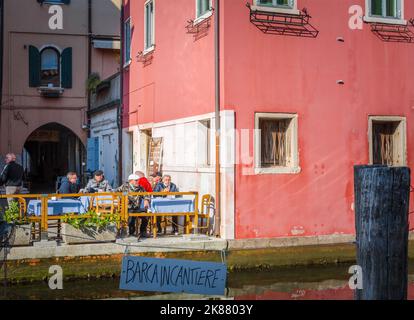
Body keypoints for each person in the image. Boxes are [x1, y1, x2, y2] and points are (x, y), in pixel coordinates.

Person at [116, 174, 150, 238]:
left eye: (138, 180)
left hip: (137, 207)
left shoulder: (140, 187)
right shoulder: (125, 186)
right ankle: (131, 232)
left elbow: (146, 195)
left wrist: (146, 200)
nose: (138, 182)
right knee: (131, 217)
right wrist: (123, 198)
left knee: (146, 215)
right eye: (136, 180)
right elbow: (116, 192)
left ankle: (143, 231)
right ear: (131, 181)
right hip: (128, 207)